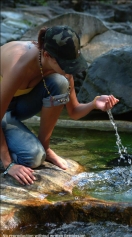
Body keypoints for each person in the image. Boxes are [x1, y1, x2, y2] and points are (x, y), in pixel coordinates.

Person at [0, 25, 119, 186]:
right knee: (32, 157)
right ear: (48, 55)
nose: (71, 70)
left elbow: (74, 111)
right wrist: (8, 164)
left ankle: (45, 146)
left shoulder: (61, 68)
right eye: (67, 65)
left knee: (59, 82)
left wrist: (94, 104)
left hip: (14, 106)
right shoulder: (19, 65)